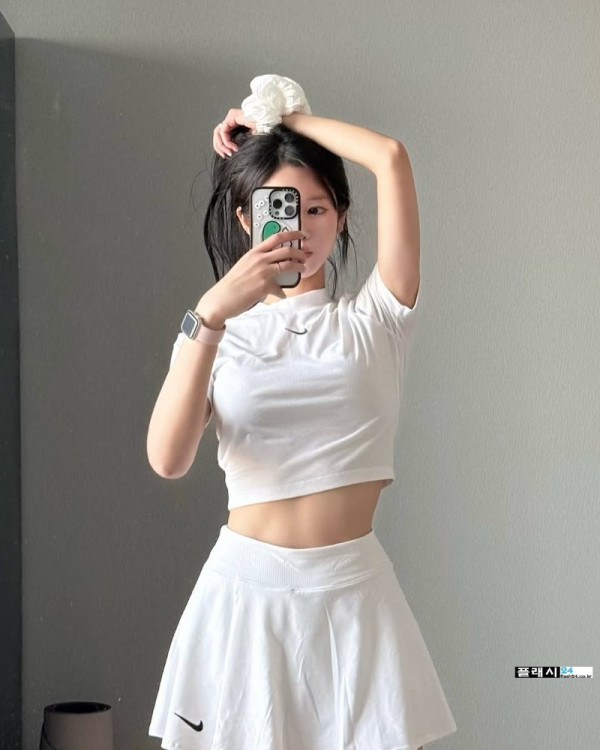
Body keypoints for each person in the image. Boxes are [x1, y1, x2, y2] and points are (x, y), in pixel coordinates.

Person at [147, 76, 457, 750]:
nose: (300, 228)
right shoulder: (215, 333)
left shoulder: (378, 320)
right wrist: (210, 314)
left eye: (316, 208)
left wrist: (284, 120)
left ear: (342, 216)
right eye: (279, 209)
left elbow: (391, 157)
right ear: (246, 220)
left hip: (355, 595)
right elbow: (168, 460)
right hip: (243, 598)